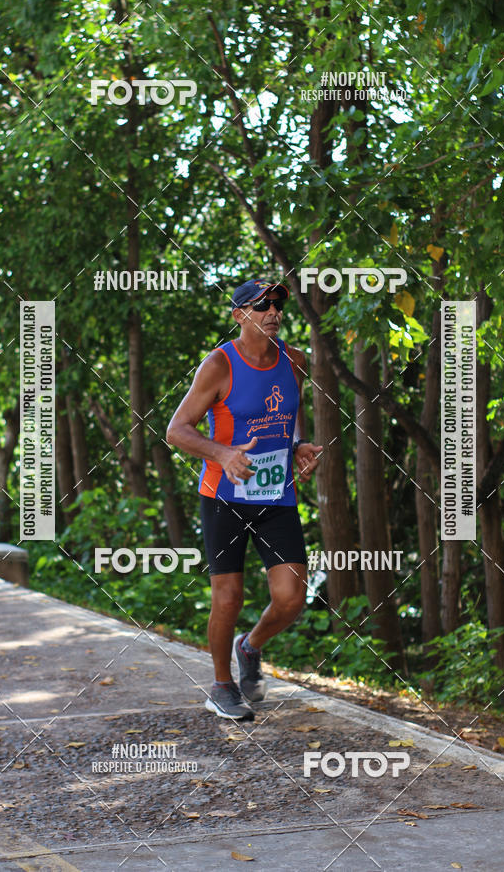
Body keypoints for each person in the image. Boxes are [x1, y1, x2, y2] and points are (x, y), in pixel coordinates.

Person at [166, 279, 322, 720]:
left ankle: (249, 646)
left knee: (292, 596)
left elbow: (289, 415)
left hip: (276, 493)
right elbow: (176, 429)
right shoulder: (219, 364)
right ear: (239, 315)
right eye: (262, 305)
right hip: (224, 495)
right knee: (228, 597)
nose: (273, 311)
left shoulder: (295, 359)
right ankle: (220, 685)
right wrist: (222, 453)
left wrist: (299, 445)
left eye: (277, 304)